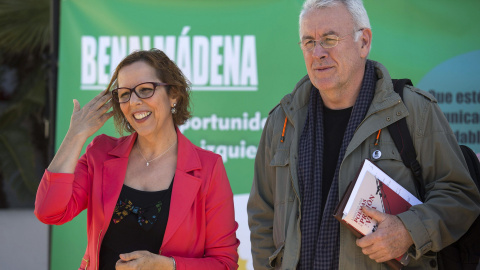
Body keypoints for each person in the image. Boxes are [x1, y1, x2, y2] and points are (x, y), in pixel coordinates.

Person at [247, 0, 480, 269]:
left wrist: (408, 230)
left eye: (329, 39)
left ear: (364, 42)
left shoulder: (413, 111)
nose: (318, 52)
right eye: (308, 42)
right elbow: (262, 217)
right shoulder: (282, 121)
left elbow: (461, 194)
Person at [35, 49, 239, 270]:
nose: (133, 102)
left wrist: (167, 266)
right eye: (124, 94)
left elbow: (224, 263)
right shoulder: (101, 153)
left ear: (174, 95)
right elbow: (49, 211)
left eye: (145, 90)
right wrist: (75, 136)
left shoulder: (209, 168)